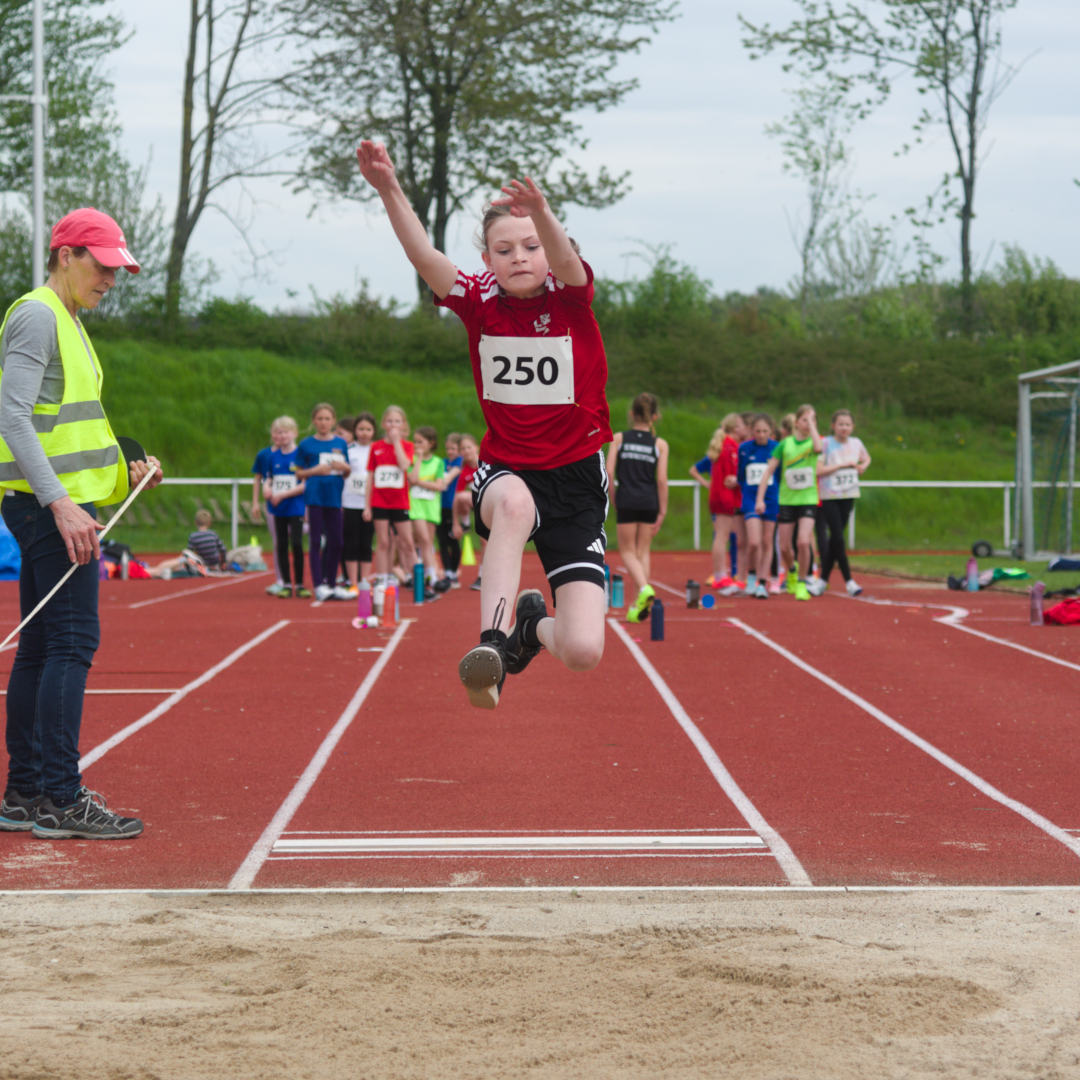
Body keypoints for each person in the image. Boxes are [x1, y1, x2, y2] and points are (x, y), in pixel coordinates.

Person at [358, 140, 612, 710]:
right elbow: (423, 254)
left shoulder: (571, 297)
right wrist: (388, 188)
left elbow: (565, 260)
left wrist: (541, 212)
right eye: (504, 249)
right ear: (488, 258)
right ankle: (492, 645)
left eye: (531, 246)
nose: (519, 256)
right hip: (509, 468)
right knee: (516, 508)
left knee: (582, 648)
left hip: (576, 484)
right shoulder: (480, 300)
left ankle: (527, 633)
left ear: (551, 249)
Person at [0, 207, 162, 839]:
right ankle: (61, 799)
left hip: (55, 503)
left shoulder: (64, 319)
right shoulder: (40, 314)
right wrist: (61, 504)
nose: (111, 280)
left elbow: (69, 427)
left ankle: (27, 794)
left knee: (43, 646)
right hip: (51, 508)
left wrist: (128, 470)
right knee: (70, 643)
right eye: (103, 266)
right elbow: (12, 418)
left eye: (117, 270)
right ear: (65, 255)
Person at [606, 392, 668, 623]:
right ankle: (638, 606)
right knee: (643, 551)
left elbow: (609, 472)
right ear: (655, 416)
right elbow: (662, 480)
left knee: (627, 552)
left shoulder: (619, 439)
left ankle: (643, 589)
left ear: (631, 414)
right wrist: (662, 510)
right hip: (649, 501)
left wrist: (613, 497)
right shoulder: (660, 444)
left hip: (628, 499)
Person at [755, 404, 823, 601]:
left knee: (803, 541)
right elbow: (768, 471)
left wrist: (812, 424)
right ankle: (791, 571)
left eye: (812, 420)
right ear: (796, 422)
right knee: (784, 546)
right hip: (787, 500)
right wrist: (760, 498)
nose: (808, 424)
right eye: (804, 420)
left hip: (808, 499)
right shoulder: (785, 445)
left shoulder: (813, 443)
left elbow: (818, 448)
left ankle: (803, 582)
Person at [294, 402, 351, 601]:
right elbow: (298, 473)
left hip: (335, 497)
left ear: (333, 421)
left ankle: (331, 583)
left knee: (337, 541)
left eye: (327, 419)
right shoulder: (305, 444)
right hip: (315, 497)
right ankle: (319, 585)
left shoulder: (341, 443)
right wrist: (314, 471)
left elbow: (347, 471)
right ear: (313, 421)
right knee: (316, 540)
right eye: (320, 419)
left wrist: (344, 467)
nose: (324, 422)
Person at [817, 408, 871, 596]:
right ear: (833, 426)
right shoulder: (825, 443)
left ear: (853, 427)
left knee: (835, 540)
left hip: (848, 495)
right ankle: (849, 581)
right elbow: (818, 470)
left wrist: (861, 467)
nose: (844, 428)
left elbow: (867, 458)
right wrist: (840, 466)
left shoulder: (856, 443)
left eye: (847, 425)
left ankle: (822, 580)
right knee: (838, 537)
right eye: (840, 424)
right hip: (830, 495)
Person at [364, 404, 417, 598]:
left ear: (403, 424)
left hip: (400, 501)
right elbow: (370, 477)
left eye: (397, 421)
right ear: (384, 423)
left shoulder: (408, 446)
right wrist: (366, 505)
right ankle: (382, 578)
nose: (393, 424)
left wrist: (396, 442)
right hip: (379, 501)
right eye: (390, 421)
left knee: (407, 542)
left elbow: (404, 465)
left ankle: (414, 578)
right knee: (383, 542)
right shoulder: (375, 447)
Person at [263, 415, 310, 598]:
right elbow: (269, 478)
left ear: (294, 433)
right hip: (277, 507)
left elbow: (304, 483)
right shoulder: (271, 456)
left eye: (285, 432)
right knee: (281, 544)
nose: (282, 436)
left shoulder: (301, 456)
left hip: (295, 506)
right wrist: (267, 489)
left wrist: (282, 494)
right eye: (278, 432)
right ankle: (285, 583)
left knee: (296, 543)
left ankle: (299, 583)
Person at [738, 413, 779, 598]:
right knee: (754, 541)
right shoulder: (744, 449)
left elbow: (779, 475)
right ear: (752, 431)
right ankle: (752, 575)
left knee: (767, 541)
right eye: (758, 431)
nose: (761, 434)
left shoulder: (777, 448)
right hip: (750, 499)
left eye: (765, 431)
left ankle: (763, 582)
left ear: (771, 431)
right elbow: (741, 476)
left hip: (771, 498)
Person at [709, 413, 748, 594]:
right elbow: (733, 476)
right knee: (723, 536)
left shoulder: (721, 445)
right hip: (726, 496)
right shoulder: (731, 447)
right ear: (735, 428)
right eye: (742, 425)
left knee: (721, 535)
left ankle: (720, 574)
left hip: (717, 495)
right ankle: (720, 575)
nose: (745, 429)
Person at [409, 424, 448, 597]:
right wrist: (417, 458)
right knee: (424, 539)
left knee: (428, 542)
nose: (417, 445)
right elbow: (412, 478)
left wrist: (421, 483)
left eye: (420, 442)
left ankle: (427, 574)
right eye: (415, 441)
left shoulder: (438, 462)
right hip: (415, 505)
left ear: (431, 443)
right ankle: (432, 577)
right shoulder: (411, 459)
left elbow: (439, 485)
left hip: (431, 507)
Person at [342, 411, 376, 594]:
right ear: (355, 430)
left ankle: (364, 580)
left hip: (370, 503)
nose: (364, 432)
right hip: (350, 501)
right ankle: (353, 581)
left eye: (368, 429)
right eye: (361, 429)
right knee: (351, 542)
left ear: (374, 431)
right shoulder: (348, 450)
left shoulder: (376, 450)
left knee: (366, 542)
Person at [435, 432, 463, 589]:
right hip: (440, 506)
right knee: (442, 541)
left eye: (453, 448)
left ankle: (453, 571)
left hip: (453, 507)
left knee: (453, 540)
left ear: (458, 449)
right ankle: (447, 572)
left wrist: (441, 481)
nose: (450, 451)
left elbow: (447, 479)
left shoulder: (459, 462)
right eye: (448, 448)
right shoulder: (442, 462)